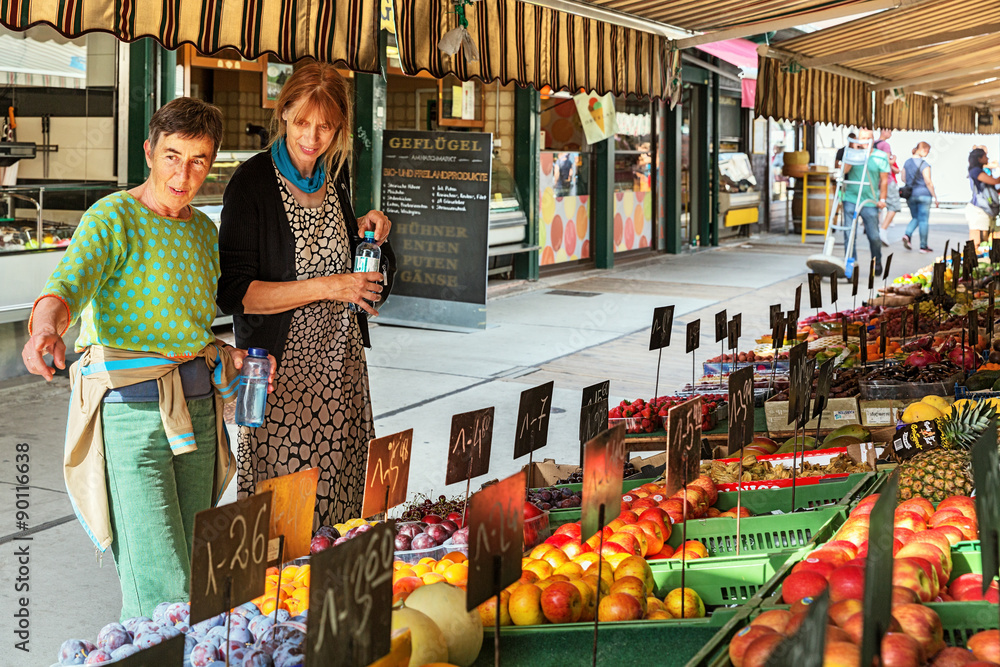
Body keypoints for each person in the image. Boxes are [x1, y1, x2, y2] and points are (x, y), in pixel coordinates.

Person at [20, 97, 276, 621]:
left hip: (199, 418)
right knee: (160, 574)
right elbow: (66, 286)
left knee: (195, 564)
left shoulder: (204, 233)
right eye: (172, 156)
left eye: (199, 160)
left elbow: (190, 328)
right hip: (133, 417)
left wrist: (228, 358)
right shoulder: (112, 218)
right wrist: (45, 330)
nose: (184, 175)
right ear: (149, 151)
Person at [217, 62, 396, 528]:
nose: (312, 137)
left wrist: (369, 239)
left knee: (340, 510)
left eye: (325, 126)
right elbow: (235, 293)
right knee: (285, 518)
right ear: (283, 115)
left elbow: (351, 269)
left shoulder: (334, 178)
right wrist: (332, 286)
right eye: (301, 122)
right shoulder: (251, 183)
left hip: (341, 375)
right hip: (281, 381)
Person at [842, 129, 889, 275]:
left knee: (874, 236)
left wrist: (882, 199)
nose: (865, 141)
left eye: (868, 138)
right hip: (851, 198)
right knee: (849, 235)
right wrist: (854, 152)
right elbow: (844, 171)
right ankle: (851, 265)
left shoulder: (880, 156)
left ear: (873, 139)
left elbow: (884, 180)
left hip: (870, 201)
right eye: (862, 138)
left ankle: (877, 260)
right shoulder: (851, 153)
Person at [900, 142, 938, 254]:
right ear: (924, 150)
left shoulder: (907, 162)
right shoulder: (924, 164)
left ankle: (907, 234)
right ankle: (923, 246)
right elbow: (928, 181)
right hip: (924, 194)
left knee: (915, 217)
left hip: (911, 194)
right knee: (923, 220)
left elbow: (903, 178)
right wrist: (935, 196)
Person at [965, 147, 1000, 243]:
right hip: (978, 210)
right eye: (985, 156)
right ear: (979, 159)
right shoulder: (976, 171)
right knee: (976, 242)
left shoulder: (980, 170)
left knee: (984, 239)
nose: (988, 159)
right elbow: (995, 181)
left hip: (985, 210)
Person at [874, 129, 901, 247]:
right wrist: (892, 161)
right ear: (884, 131)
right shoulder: (885, 145)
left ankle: (877, 230)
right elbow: (885, 161)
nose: (891, 134)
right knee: (894, 206)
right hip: (887, 179)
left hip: (876, 180)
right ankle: (883, 230)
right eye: (889, 131)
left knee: (878, 206)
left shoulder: (874, 144)